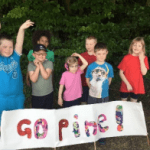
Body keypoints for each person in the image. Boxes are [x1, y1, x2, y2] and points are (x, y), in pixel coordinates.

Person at [0, 20, 34, 134]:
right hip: (2, 99)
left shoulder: (15, 57)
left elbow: (19, 44)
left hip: (17, 98)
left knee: (18, 125)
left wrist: (21, 29)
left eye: (10, 47)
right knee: (3, 127)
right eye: (5, 47)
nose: (8, 49)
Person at [85, 42, 114, 145]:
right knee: (92, 114)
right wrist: (91, 88)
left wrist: (104, 88)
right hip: (92, 95)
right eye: (99, 53)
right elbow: (87, 79)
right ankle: (92, 133)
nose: (101, 56)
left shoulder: (109, 67)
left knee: (102, 115)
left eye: (103, 53)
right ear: (95, 54)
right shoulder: (90, 66)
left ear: (107, 53)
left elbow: (109, 79)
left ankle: (102, 136)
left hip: (104, 95)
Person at [118, 37, 149, 102]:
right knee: (123, 103)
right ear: (131, 46)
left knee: (133, 104)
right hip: (125, 84)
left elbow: (144, 73)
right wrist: (127, 84)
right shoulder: (126, 58)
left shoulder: (144, 58)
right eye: (134, 45)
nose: (136, 47)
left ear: (142, 48)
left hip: (136, 86)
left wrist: (141, 59)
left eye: (139, 46)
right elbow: (121, 73)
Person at [28, 44, 53, 109]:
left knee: (48, 115)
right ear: (34, 55)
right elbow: (33, 79)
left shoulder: (49, 63)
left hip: (48, 94)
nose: (41, 55)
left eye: (43, 54)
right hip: (36, 95)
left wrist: (40, 65)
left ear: (46, 55)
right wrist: (37, 67)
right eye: (39, 54)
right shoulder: (30, 65)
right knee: (37, 116)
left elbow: (46, 76)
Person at [78, 36, 97, 105]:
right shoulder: (82, 56)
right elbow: (77, 70)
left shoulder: (98, 56)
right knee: (83, 101)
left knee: (94, 102)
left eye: (90, 44)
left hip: (94, 84)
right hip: (83, 83)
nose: (88, 46)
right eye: (87, 44)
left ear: (95, 44)